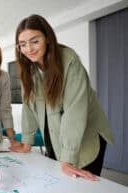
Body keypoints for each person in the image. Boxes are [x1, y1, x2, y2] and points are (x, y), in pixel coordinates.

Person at [13, 14, 114, 180]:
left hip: (84, 138)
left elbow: (74, 111)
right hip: (56, 135)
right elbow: (28, 107)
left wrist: (67, 159)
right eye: (22, 44)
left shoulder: (69, 61)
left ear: (47, 38)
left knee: (80, 189)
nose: (29, 49)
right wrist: (27, 142)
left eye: (35, 41)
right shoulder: (28, 68)